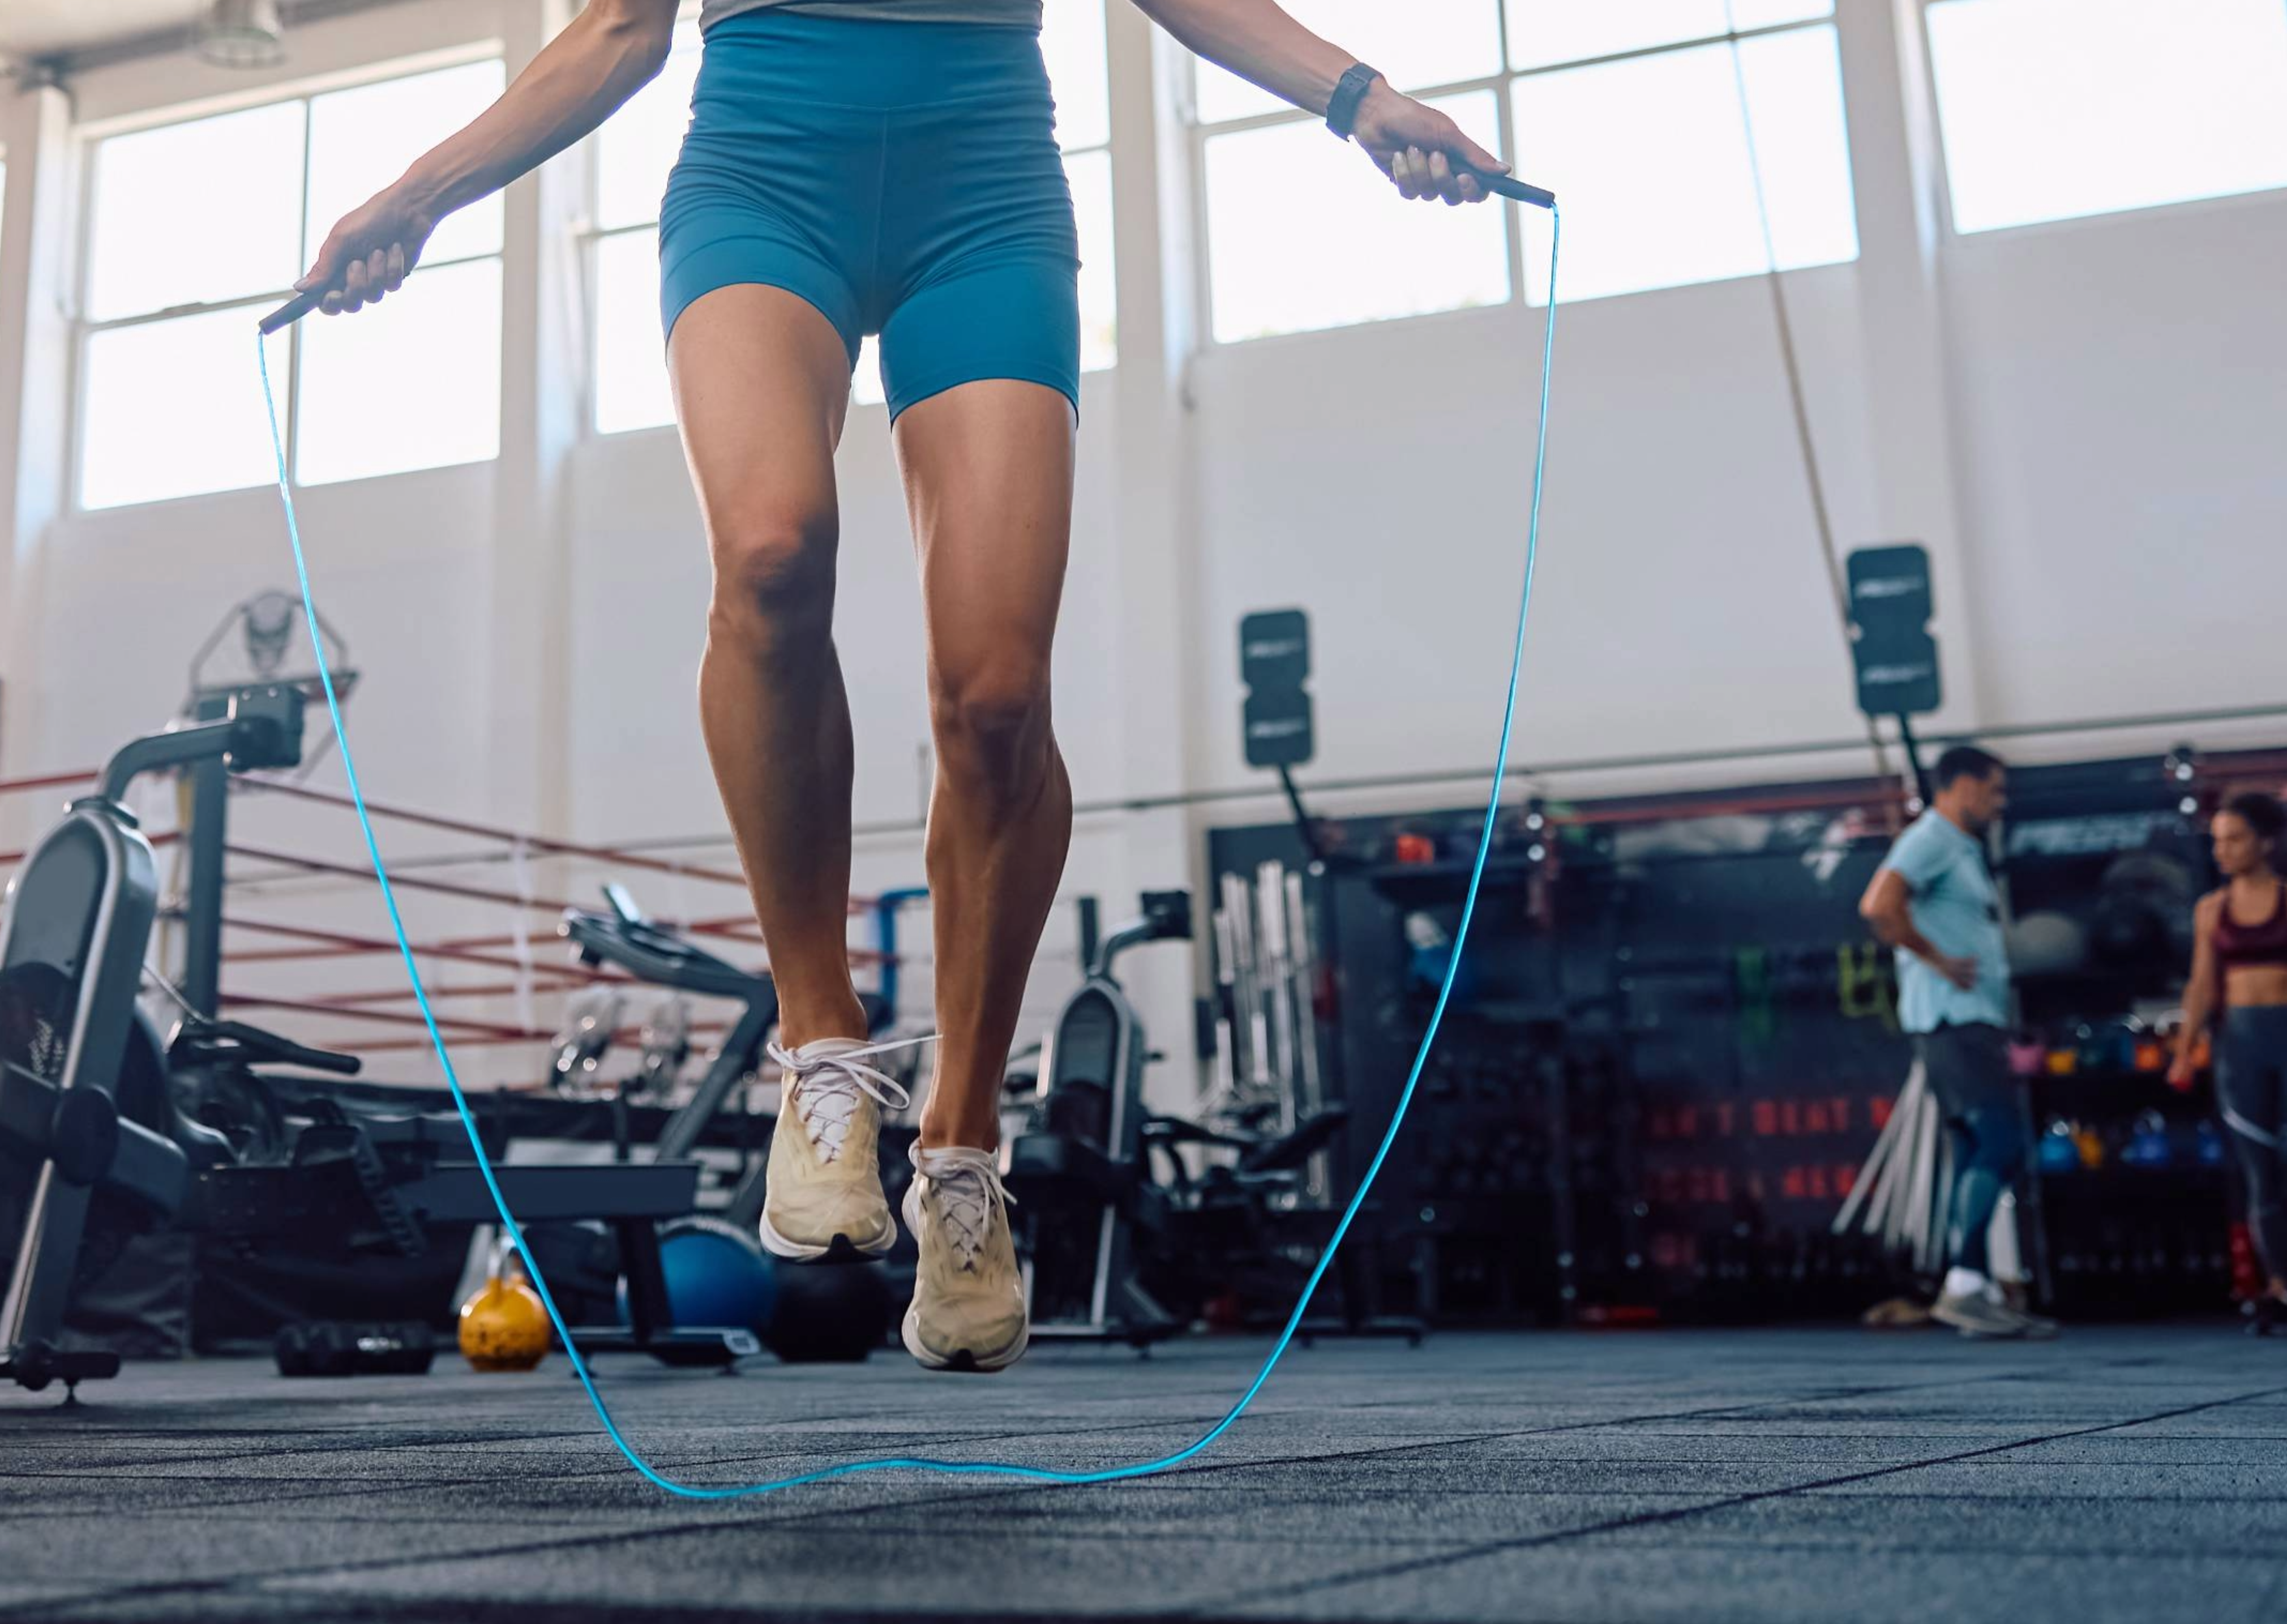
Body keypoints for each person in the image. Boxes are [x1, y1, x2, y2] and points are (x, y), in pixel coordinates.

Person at [294, 0, 1505, 1373]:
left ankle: (962, 1146)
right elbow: (620, 31)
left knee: (995, 694)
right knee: (767, 550)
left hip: (983, 187)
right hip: (761, 174)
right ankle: (821, 1047)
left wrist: (1362, 98)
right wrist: (414, 196)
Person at [1859, 745, 2055, 1339]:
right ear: (1963, 786)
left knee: (1976, 1151)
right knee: (2000, 1143)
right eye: (1994, 790)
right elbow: (1877, 907)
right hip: (1952, 1021)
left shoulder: (1960, 848)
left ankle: (1972, 1289)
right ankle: (1966, 1284)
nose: (2000, 803)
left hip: (1968, 1021)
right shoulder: (1933, 838)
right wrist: (1937, 960)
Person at [2170, 792, 2287, 1334]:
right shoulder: (2211, 909)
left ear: (2265, 842)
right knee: (2260, 1175)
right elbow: (2203, 983)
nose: (2223, 851)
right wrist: (2185, 1051)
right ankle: (2278, 1289)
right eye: (2218, 841)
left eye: (2235, 839)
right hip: (2240, 1044)